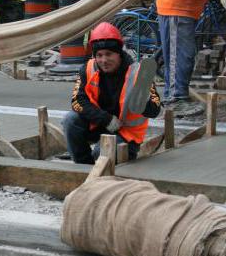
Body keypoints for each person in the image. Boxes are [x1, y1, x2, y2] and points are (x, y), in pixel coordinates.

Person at [62, 23, 162, 164]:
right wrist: (106, 119)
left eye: (109, 54)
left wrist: (142, 100)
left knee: (101, 154)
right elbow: (77, 102)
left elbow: (155, 110)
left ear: (119, 53)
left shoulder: (139, 73)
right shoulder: (87, 69)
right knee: (70, 120)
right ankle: (83, 167)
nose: (104, 60)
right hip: (99, 125)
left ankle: (118, 158)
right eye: (99, 55)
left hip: (127, 134)